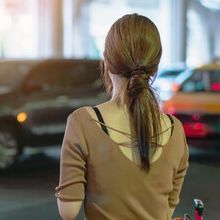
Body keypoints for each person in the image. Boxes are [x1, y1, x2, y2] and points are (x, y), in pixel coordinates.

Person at [55, 13, 189, 220]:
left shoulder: (82, 122)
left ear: (106, 60)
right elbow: (167, 211)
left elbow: (68, 211)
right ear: (155, 68)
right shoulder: (175, 130)